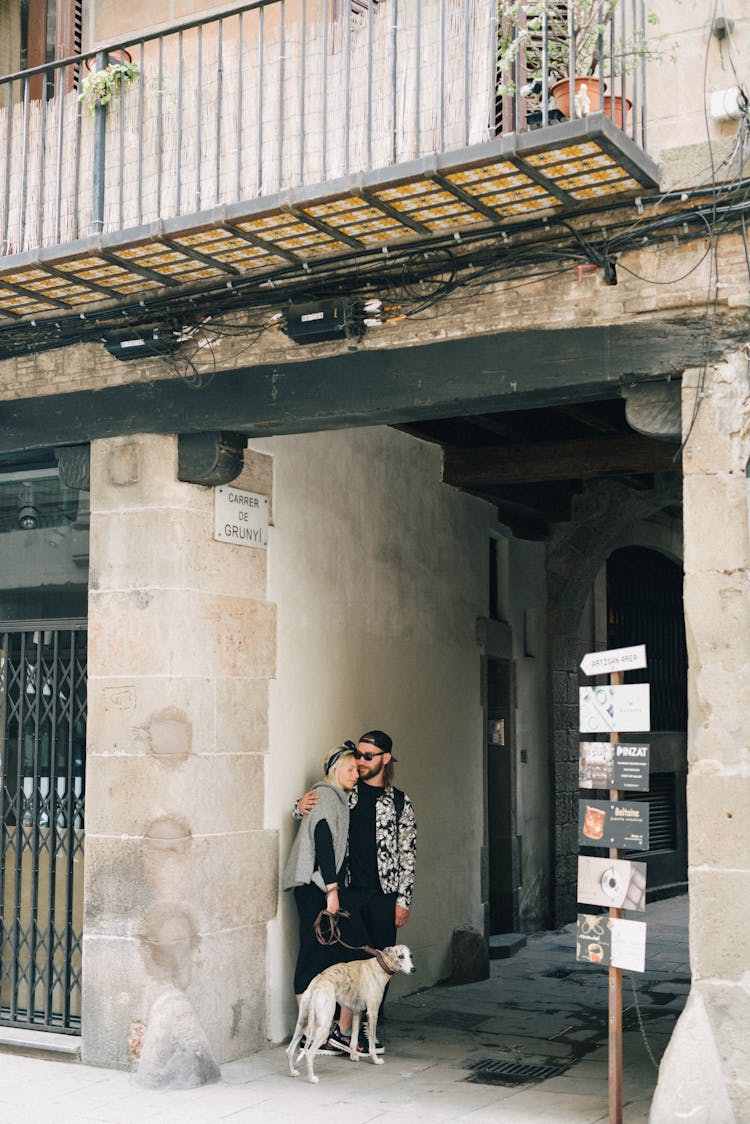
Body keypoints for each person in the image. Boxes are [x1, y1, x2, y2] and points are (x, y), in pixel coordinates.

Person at [294, 729, 417, 1053]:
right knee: (349, 958)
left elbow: (408, 852)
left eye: (367, 756)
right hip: (348, 890)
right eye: (358, 756)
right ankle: (343, 1031)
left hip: (383, 894)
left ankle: (365, 1032)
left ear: (385, 759)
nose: (360, 762)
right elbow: (314, 819)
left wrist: (404, 900)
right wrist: (299, 805)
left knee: (381, 964)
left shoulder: (400, 802)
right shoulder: (345, 792)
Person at [282, 744, 370, 1053]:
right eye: (350, 769)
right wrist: (332, 891)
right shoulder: (325, 798)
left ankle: (338, 1032)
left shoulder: (339, 798)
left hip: (323, 887)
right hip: (316, 888)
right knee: (313, 957)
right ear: (335, 771)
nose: (356, 774)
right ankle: (314, 1033)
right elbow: (322, 841)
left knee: (351, 955)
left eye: (358, 770)